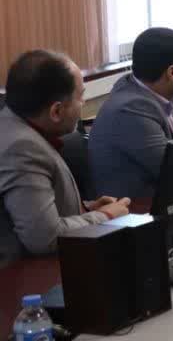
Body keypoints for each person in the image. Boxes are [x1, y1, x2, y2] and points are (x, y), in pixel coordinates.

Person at [0, 51, 131, 264]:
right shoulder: (22, 147)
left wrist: (86, 209)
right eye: (80, 97)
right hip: (22, 275)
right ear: (56, 111)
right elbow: (45, 237)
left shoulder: (14, 125)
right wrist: (105, 216)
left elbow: (27, 208)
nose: (83, 103)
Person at [88, 27, 173, 203]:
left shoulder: (165, 93)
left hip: (169, 200)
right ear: (172, 72)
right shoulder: (130, 110)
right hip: (136, 212)